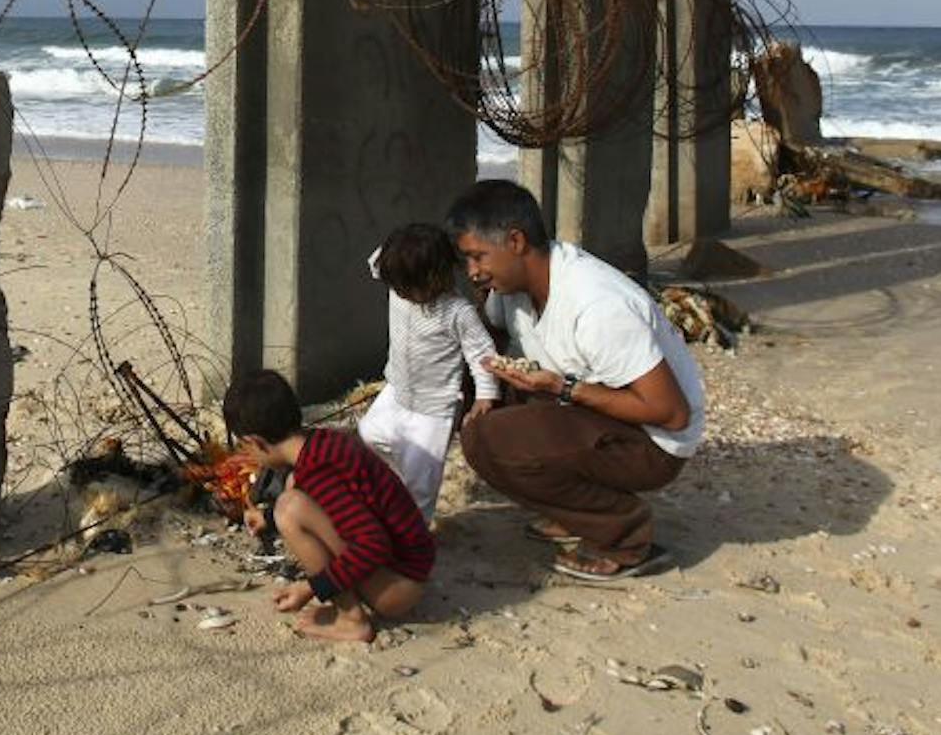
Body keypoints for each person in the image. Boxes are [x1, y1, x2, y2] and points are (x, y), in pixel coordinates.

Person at [448, 179, 707, 582]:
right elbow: (491, 339)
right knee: (471, 388)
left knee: (487, 439)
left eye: (478, 257)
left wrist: (561, 388)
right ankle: (574, 513)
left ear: (515, 242)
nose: (473, 272)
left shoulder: (597, 306)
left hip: (653, 442)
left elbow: (672, 414)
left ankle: (624, 536)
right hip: (594, 413)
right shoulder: (513, 287)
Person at [224, 368, 432, 642]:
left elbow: (373, 544)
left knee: (289, 508)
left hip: (399, 585)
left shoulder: (319, 473)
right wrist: (267, 520)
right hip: (408, 568)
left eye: (245, 448)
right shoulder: (321, 445)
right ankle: (351, 605)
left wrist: (311, 587)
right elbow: (333, 509)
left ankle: (351, 620)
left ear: (256, 442)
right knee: (291, 495)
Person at [359, 222, 500, 524]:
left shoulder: (456, 311)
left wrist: (486, 394)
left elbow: (481, 352)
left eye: (413, 288)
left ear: (438, 277)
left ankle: (415, 532)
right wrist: (399, 249)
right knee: (369, 434)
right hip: (396, 390)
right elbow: (379, 262)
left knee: (421, 479)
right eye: (399, 288)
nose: (405, 294)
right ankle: (394, 490)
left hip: (434, 408)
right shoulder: (399, 280)